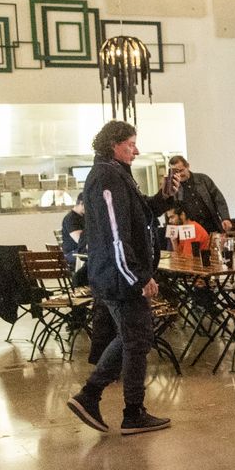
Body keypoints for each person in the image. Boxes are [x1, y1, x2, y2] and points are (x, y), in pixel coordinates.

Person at [66, 120, 176, 435]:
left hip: (118, 275)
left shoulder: (116, 174)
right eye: (131, 144)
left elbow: (140, 215)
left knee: (134, 338)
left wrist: (166, 195)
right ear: (114, 145)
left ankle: (101, 400)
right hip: (120, 277)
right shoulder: (105, 176)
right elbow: (116, 234)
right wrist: (138, 276)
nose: (136, 150)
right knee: (137, 338)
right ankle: (122, 409)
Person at [168, 155, 232, 234]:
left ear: (188, 166)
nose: (179, 175)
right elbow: (172, 212)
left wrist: (225, 218)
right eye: (176, 172)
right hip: (191, 231)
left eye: (181, 170)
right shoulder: (173, 188)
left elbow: (218, 199)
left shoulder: (203, 179)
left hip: (212, 226)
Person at [61, 194, 86, 269]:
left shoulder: (84, 216)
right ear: (81, 203)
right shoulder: (71, 218)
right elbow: (80, 240)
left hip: (80, 251)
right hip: (72, 253)